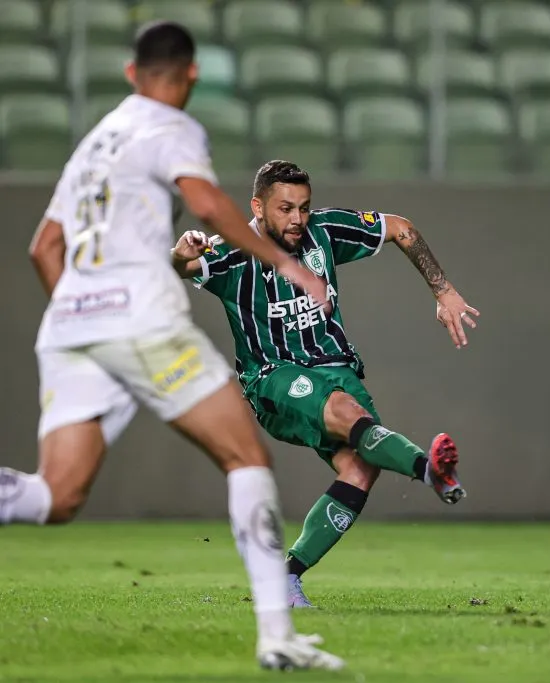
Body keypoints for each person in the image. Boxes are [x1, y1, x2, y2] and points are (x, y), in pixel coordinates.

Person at [0, 22, 344, 671]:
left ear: (131, 74)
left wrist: (85, 316)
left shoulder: (93, 144)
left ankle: (278, 630)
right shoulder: (172, 126)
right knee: (246, 458)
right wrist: (290, 265)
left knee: (55, 496)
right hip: (141, 318)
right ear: (190, 76)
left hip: (72, 323)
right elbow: (209, 205)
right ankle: (277, 633)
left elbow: (43, 248)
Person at [170, 160, 479, 608]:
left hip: (337, 367)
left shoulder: (325, 230)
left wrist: (442, 289)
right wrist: (182, 251)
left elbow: (401, 228)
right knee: (348, 414)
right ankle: (429, 470)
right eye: (284, 209)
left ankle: (287, 577)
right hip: (275, 376)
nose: (297, 219)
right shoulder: (233, 252)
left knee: (360, 468)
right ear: (257, 206)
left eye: (304, 207)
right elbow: (183, 265)